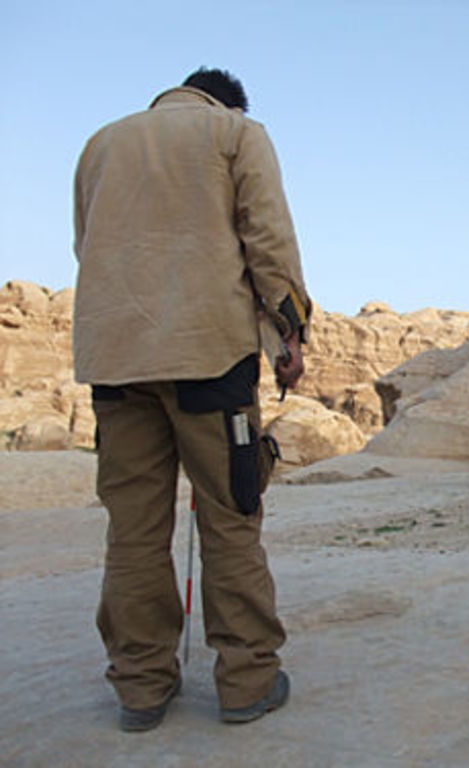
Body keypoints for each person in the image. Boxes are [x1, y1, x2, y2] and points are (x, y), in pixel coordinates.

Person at [73, 67, 311, 731]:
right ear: (227, 102)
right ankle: (246, 682)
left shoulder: (101, 143)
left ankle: (141, 689)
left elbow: (85, 245)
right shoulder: (237, 133)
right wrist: (290, 333)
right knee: (230, 520)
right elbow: (268, 241)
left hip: (116, 362)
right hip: (209, 357)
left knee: (135, 532)